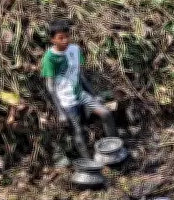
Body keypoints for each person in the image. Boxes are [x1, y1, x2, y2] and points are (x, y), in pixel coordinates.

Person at [41, 19, 117, 160]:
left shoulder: (75, 49)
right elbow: (50, 88)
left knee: (105, 113)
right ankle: (88, 164)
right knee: (78, 130)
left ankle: (113, 150)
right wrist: (60, 112)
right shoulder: (49, 58)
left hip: (80, 94)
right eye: (60, 38)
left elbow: (81, 76)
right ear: (52, 40)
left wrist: (94, 95)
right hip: (66, 101)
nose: (65, 40)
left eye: (67, 36)